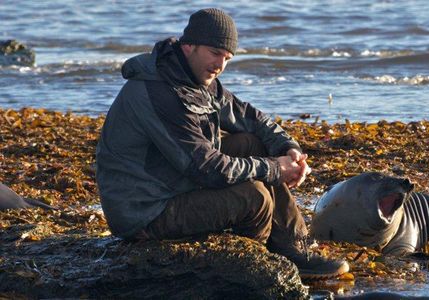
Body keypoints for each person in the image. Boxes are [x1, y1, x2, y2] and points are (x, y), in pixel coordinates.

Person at [96, 8, 348, 280]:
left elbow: (251, 118)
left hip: (171, 182)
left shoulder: (199, 79)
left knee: (250, 143)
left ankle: (295, 248)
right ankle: (257, 269)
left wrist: (289, 149)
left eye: (227, 57)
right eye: (215, 53)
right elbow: (205, 168)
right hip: (144, 210)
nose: (220, 65)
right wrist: (274, 169)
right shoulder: (157, 91)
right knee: (254, 197)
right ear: (189, 45)